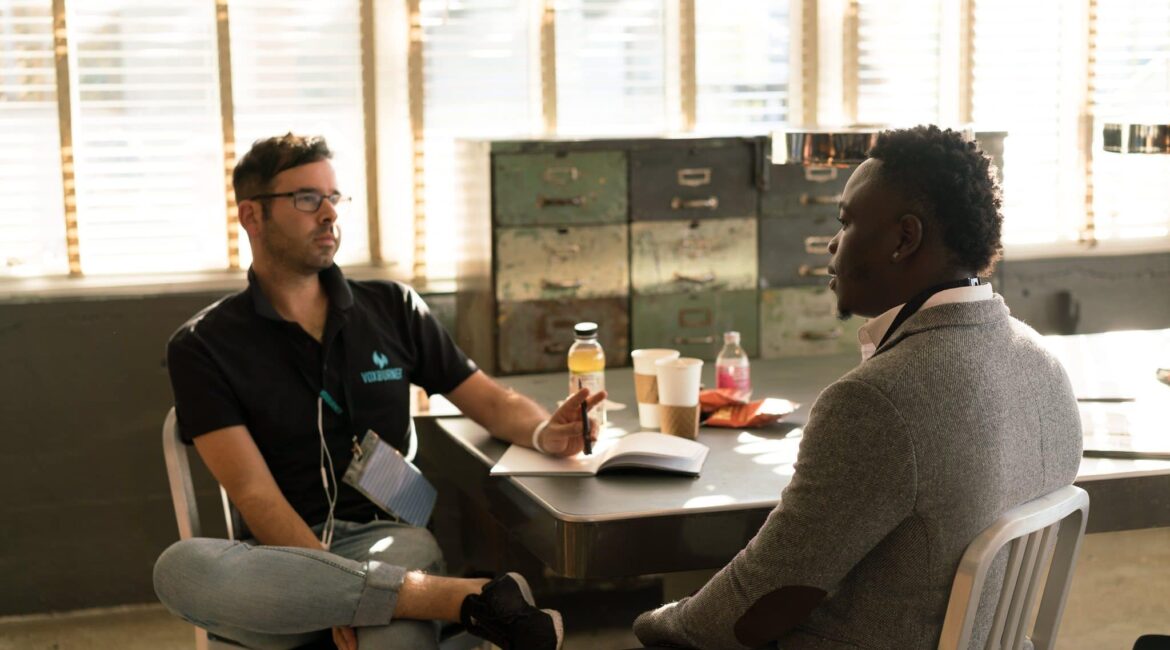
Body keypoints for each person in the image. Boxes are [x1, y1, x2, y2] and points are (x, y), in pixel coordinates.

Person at [632, 125, 1083, 649]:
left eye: (846, 222)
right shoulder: (1044, 364)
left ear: (904, 239)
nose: (832, 242)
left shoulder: (877, 401)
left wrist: (653, 624)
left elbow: (756, 607)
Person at [153, 133, 603, 650]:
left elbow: (492, 402)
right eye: (306, 198)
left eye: (333, 197)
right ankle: (467, 601)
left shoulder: (393, 308)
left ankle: (421, 611)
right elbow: (255, 495)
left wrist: (549, 432)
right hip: (280, 565)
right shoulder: (203, 345)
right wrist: (330, 588)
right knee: (179, 570)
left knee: (391, 642)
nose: (328, 214)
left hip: (391, 541)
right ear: (252, 216)